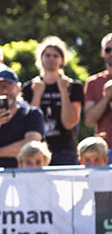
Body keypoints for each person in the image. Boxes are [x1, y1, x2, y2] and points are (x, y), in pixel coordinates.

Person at [21, 37, 83, 166]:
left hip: (65, 150)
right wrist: (37, 94)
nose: (51, 59)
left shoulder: (73, 86)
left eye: (56, 56)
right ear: (40, 58)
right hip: (36, 153)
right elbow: (30, 122)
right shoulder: (29, 88)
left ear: (62, 60)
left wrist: (64, 92)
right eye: (47, 55)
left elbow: (69, 123)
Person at [0, 68, 45, 170]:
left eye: (9, 86)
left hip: (23, 177)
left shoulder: (32, 114)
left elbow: (30, 147)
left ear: (18, 89)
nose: (4, 91)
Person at [84, 33, 112, 157]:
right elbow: (89, 120)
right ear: (102, 52)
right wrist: (106, 97)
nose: (111, 53)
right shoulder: (93, 82)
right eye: (108, 50)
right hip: (103, 151)